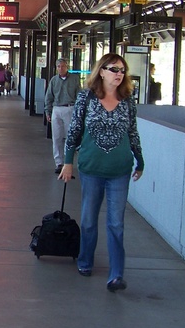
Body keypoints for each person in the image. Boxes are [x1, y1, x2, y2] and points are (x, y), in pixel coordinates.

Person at [58, 53, 144, 293]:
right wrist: (67, 162)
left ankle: (116, 275)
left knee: (116, 224)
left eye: (122, 70)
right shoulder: (86, 97)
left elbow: (133, 133)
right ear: (102, 71)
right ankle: (85, 260)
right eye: (114, 69)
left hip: (120, 170)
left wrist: (140, 160)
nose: (119, 74)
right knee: (88, 220)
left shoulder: (128, 100)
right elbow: (74, 131)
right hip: (91, 169)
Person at [44, 58, 81, 174]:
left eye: (63, 66)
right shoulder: (54, 80)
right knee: (57, 137)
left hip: (70, 108)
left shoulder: (74, 79)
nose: (61, 68)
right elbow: (49, 96)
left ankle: (68, 162)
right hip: (57, 109)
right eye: (59, 66)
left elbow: (79, 96)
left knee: (70, 136)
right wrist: (48, 111)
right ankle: (58, 162)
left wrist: (79, 112)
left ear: (67, 67)